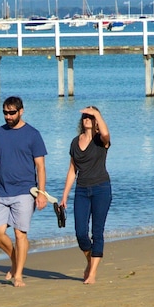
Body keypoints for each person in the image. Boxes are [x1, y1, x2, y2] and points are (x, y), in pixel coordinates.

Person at [0, 96, 47, 287]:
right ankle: (15, 260)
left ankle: (18, 275)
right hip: (1, 191)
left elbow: (40, 166)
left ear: (21, 111)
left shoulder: (33, 134)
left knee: (19, 234)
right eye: (5, 113)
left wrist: (42, 192)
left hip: (25, 191)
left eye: (12, 113)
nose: (8, 116)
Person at [58, 106, 112, 285]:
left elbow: (106, 133)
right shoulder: (75, 142)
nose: (87, 119)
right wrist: (65, 195)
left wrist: (97, 113)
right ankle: (91, 261)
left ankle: (92, 273)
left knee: (97, 232)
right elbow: (72, 170)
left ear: (96, 120)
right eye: (85, 117)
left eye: (90, 116)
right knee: (80, 233)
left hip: (101, 189)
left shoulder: (101, 140)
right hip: (82, 190)